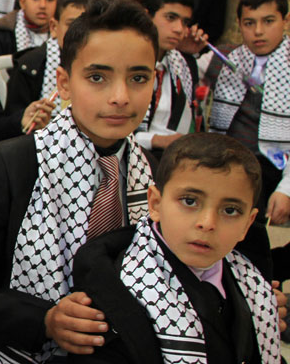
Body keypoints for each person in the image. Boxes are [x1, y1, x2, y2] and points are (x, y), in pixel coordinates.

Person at [0, 0, 161, 363]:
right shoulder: (9, 165)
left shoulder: (155, 176)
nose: (120, 97)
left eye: (138, 78)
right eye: (97, 77)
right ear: (64, 83)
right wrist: (45, 320)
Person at [70, 133, 283, 363]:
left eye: (230, 210)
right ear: (155, 204)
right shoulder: (116, 296)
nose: (207, 223)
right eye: (190, 201)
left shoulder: (253, 285)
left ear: (248, 224)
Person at [209, 0, 290, 226]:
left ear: (286, 21)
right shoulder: (225, 58)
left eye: (268, 21)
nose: (258, 31)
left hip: (277, 168)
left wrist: (286, 189)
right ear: (239, 24)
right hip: (229, 162)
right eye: (249, 23)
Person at [0, 0, 92, 142]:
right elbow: (2, 129)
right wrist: (25, 119)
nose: (80, 35)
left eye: (88, 27)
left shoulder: (103, 66)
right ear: (54, 27)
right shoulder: (30, 65)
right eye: (71, 25)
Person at [135, 0, 207, 157]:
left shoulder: (183, 63)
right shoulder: (126, 59)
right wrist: (156, 140)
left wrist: (191, 55)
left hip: (173, 155)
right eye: (170, 18)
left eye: (185, 22)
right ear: (147, 17)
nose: (179, 29)